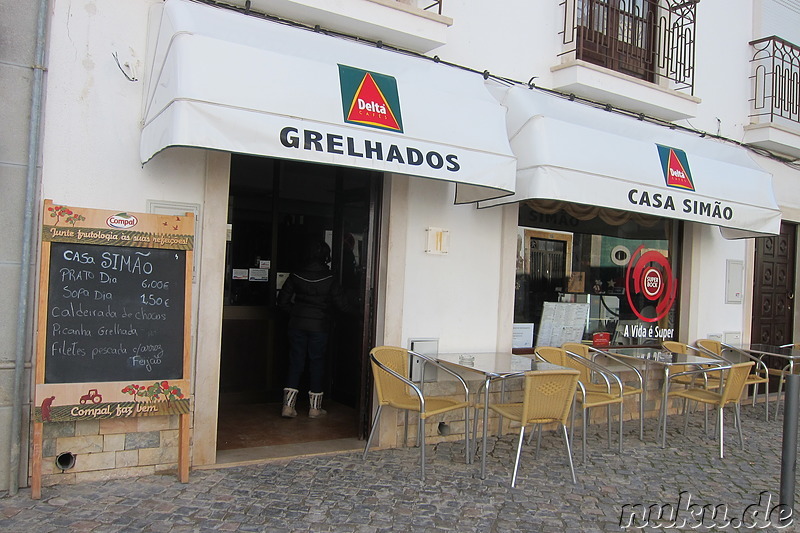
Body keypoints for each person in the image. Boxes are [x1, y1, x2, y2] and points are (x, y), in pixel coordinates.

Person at [278, 240, 346, 418]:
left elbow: (282, 301)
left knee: (295, 362)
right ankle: (315, 409)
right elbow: (341, 305)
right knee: (317, 363)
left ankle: (288, 406)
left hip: (297, 324)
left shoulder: (296, 274)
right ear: (326, 256)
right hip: (319, 326)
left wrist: (297, 313)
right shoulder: (330, 277)